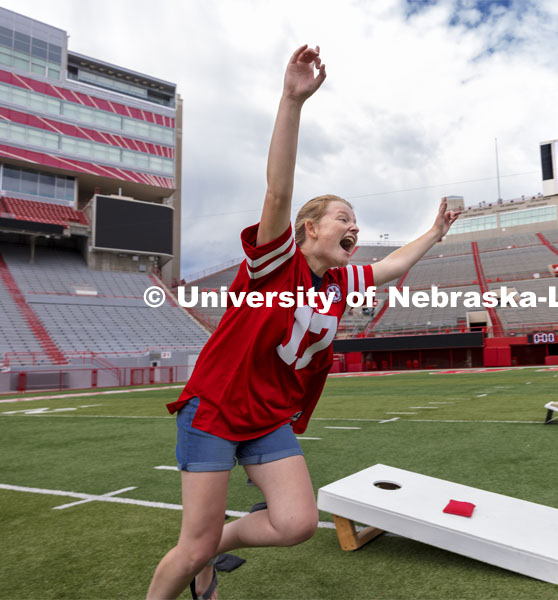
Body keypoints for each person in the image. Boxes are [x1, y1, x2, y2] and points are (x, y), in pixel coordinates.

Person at [146, 44, 459, 600]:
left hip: (268, 417)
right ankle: (196, 566)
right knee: (189, 547)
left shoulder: (339, 284)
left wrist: (435, 230)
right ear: (309, 229)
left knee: (293, 525)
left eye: (356, 222)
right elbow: (278, 191)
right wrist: (292, 100)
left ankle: (214, 547)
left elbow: (392, 266)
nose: (354, 228)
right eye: (344, 218)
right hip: (216, 408)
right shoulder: (274, 263)